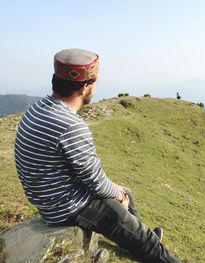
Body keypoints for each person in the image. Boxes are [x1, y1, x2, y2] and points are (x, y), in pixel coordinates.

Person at [14, 48, 181, 263]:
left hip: (49, 196)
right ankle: (145, 241)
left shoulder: (38, 108)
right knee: (126, 204)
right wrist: (117, 195)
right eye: (95, 83)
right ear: (85, 87)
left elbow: (89, 175)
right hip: (67, 206)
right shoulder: (70, 126)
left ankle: (138, 236)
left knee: (126, 192)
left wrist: (119, 192)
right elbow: (95, 182)